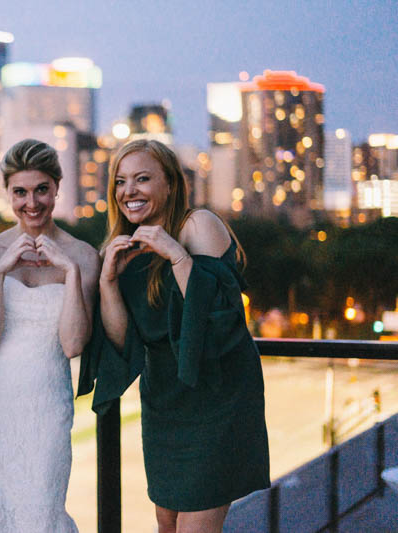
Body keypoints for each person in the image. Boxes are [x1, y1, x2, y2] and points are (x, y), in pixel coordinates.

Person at [78, 139, 270, 533]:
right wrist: (109, 281)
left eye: (142, 179)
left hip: (216, 399)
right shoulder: (124, 245)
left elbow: (219, 321)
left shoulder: (197, 225)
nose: (129, 191)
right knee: (167, 524)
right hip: (165, 402)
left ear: (170, 184)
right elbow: (121, 341)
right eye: (120, 181)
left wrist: (178, 256)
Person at [0, 139, 100, 532]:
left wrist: (68, 273)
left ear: (57, 188)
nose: (31, 202)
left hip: (47, 406)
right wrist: (0, 273)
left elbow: (72, 345)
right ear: (8, 193)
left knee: (41, 509)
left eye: (41, 190)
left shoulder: (84, 257)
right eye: (20, 192)